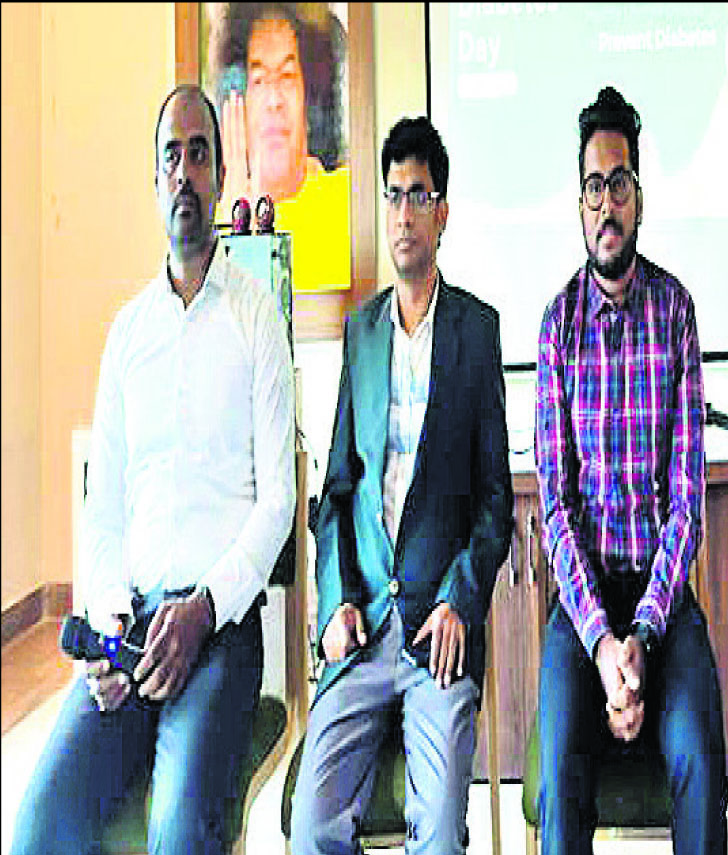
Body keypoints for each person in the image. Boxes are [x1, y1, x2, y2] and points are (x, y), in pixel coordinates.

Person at [12, 84, 295, 855]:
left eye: (199, 154)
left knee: (178, 830)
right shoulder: (127, 333)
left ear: (222, 175)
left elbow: (279, 501)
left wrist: (203, 608)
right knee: (38, 827)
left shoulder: (257, 318)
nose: (184, 172)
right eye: (171, 156)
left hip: (220, 632)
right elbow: (103, 506)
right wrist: (107, 621)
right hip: (130, 627)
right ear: (154, 180)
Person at [289, 115, 513, 855]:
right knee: (311, 829)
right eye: (393, 195)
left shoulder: (476, 332)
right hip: (360, 627)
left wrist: (459, 598)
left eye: (418, 195)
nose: (404, 213)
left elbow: (494, 501)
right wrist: (334, 601)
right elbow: (336, 492)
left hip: (435, 632)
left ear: (442, 213)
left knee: (440, 835)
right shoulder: (362, 333)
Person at [534, 85, 728, 855]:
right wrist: (602, 644)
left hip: (661, 598)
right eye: (593, 187)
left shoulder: (675, 311)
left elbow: (686, 502)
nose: (606, 204)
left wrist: (643, 631)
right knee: (557, 774)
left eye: (619, 184)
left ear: (639, 197)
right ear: (578, 204)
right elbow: (555, 506)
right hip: (582, 603)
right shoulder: (557, 325)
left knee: (698, 759)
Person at [211, 2, 350, 289]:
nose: (274, 100)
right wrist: (236, 231)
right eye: (259, 81)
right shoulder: (212, 222)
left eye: (287, 77)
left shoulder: (349, 198)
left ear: (311, 97)